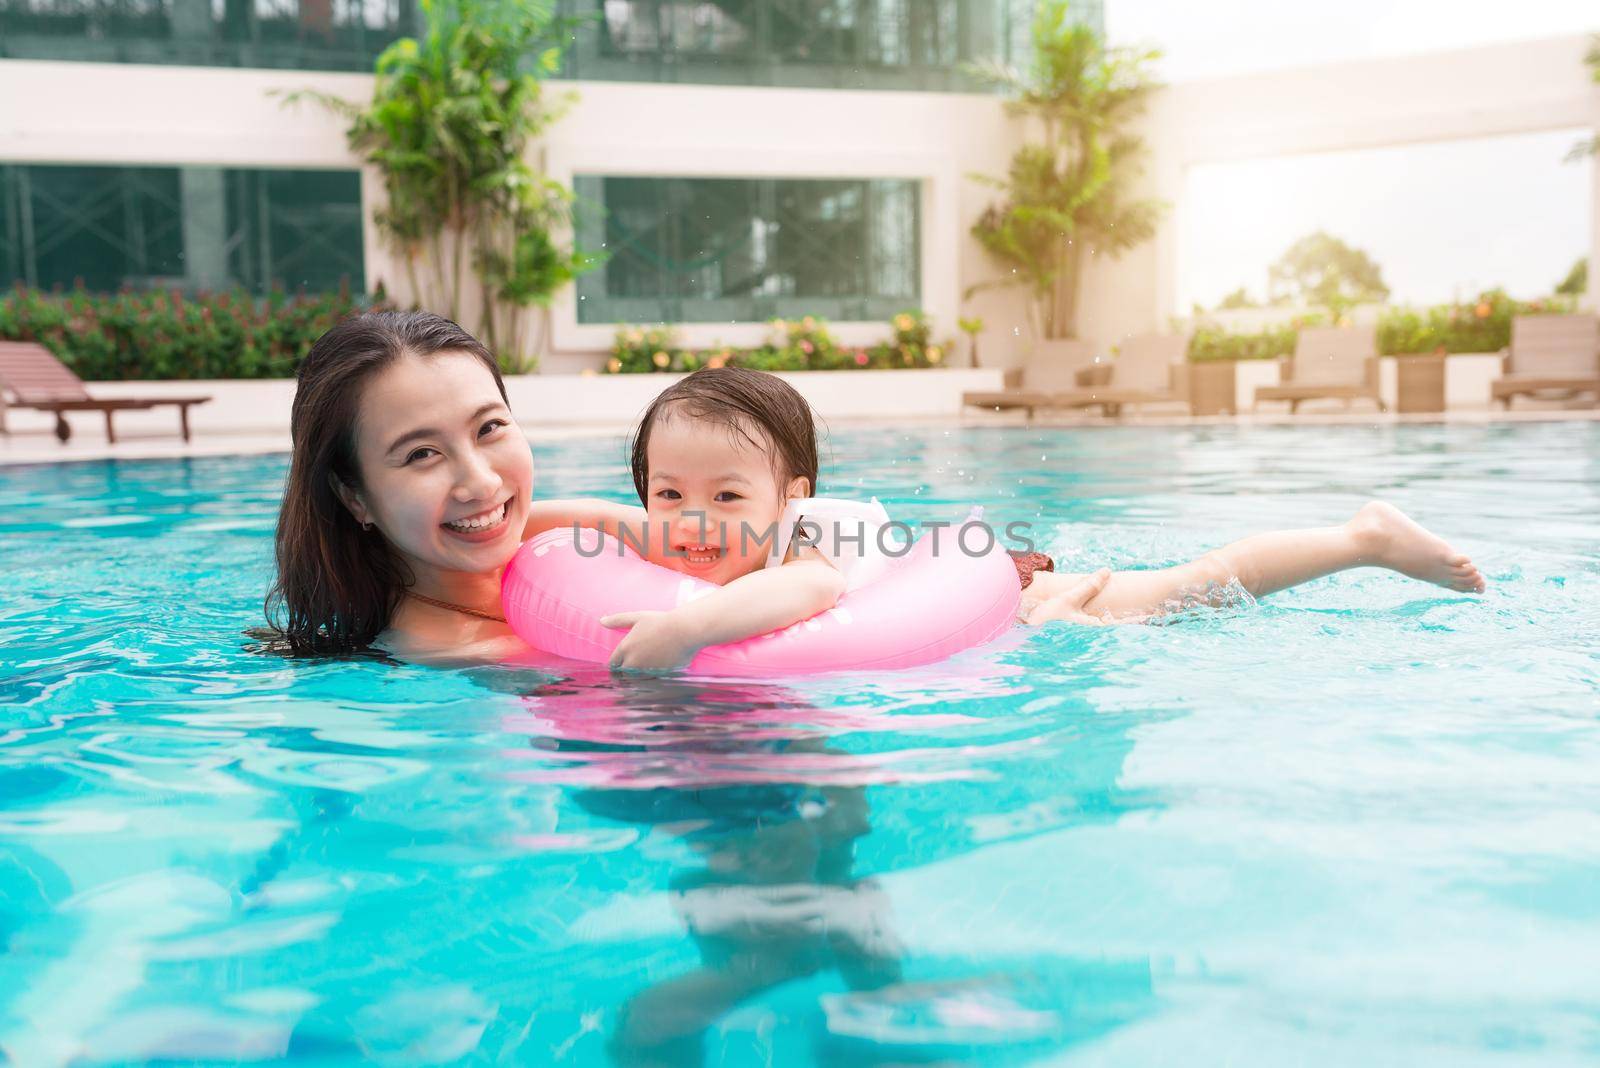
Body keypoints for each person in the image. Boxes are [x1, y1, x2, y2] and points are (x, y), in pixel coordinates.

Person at [265, 312, 1483, 666]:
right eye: (422, 454)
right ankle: (1355, 534)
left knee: (1169, 593)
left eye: (492, 429)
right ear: (356, 496)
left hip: (942, 597)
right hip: (888, 624)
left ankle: (1354, 535)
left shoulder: (584, 545)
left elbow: (609, 526)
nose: (485, 483)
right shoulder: (440, 647)